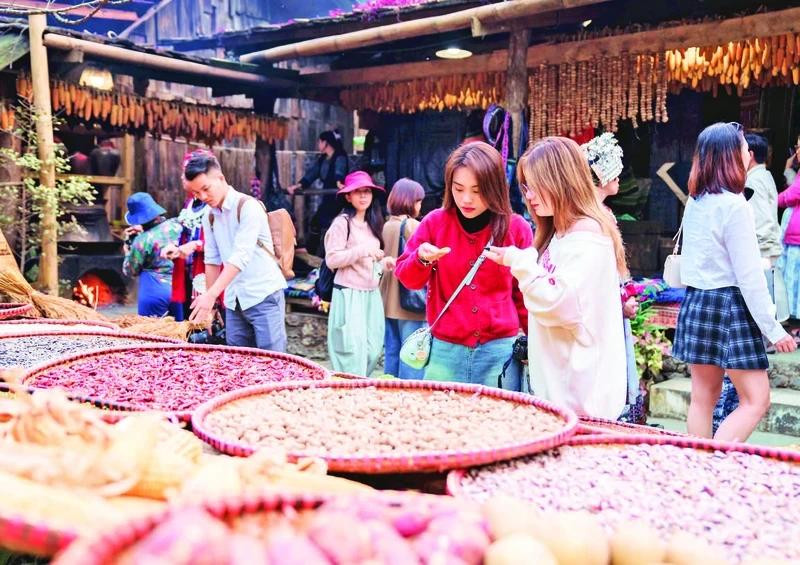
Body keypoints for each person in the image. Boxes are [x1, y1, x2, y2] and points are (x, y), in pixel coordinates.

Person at [484, 136, 628, 419]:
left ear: (563, 180)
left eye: (537, 186)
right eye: (526, 187)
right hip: (565, 389)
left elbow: (559, 303)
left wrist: (519, 261)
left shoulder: (586, 235)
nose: (530, 195)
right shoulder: (561, 232)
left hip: (581, 395)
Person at [672, 122, 796, 442]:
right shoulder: (734, 204)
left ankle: (699, 467)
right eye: (743, 147)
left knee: (702, 398)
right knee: (756, 400)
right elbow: (749, 276)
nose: (747, 153)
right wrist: (774, 328)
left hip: (698, 302)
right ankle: (714, 465)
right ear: (730, 155)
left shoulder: (696, 201)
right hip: (728, 305)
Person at [394, 142, 532, 389]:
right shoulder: (435, 223)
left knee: (499, 423)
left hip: (499, 352)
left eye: (477, 191)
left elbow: (524, 295)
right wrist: (422, 259)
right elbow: (407, 277)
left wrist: (534, 342)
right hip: (445, 351)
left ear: (495, 188)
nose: (466, 199)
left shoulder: (516, 229)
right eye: (458, 189)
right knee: (442, 423)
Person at [184, 152, 288, 352]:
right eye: (196, 193)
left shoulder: (249, 207)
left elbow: (241, 257)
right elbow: (212, 261)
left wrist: (210, 296)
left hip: (263, 295)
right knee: (237, 361)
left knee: (273, 361)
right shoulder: (209, 216)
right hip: (234, 301)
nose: (203, 197)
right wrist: (212, 306)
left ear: (220, 179)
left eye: (206, 189)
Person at [582, 132, 642, 420]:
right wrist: (620, 303)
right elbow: (601, 272)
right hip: (601, 310)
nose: (620, 176)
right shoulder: (595, 217)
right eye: (615, 169)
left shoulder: (600, 212)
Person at [324, 171, 392, 376]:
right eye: (357, 192)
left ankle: (359, 385)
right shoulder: (341, 223)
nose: (363, 196)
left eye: (367, 192)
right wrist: (362, 251)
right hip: (348, 292)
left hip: (371, 294)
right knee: (351, 352)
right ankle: (350, 393)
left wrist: (384, 262)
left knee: (373, 350)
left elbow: (372, 258)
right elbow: (332, 260)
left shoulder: (374, 223)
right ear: (348, 196)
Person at [380, 178, 427, 379]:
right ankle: (409, 394)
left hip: (387, 300)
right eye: (418, 201)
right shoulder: (412, 226)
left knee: (392, 350)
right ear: (410, 202)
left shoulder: (386, 225)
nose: (420, 205)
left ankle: (389, 389)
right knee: (412, 356)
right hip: (409, 302)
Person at [161, 150, 213, 322]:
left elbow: (222, 243)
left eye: (186, 173)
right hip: (187, 271)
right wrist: (175, 249)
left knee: (206, 323)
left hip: (207, 272)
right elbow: (185, 234)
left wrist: (195, 246)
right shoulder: (190, 203)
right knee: (188, 320)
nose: (183, 178)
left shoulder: (213, 203)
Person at [288, 130, 349, 256]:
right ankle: (313, 252)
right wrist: (297, 186)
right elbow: (311, 175)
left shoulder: (340, 156)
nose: (318, 145)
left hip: (338, 197)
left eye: (319, 142)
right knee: (316, 222)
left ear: (325, 142)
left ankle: (322, 253)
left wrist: (339, 183)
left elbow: (339, 172)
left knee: (324, 222)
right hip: (328, 197)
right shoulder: (322, 159)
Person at [122, 192, 183, 317]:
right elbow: (162, 228)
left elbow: (130, 270)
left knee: (152, 333)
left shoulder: (141, 241)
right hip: (181, 287)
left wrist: (128, 250)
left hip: (155, 291)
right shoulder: (177, 224)